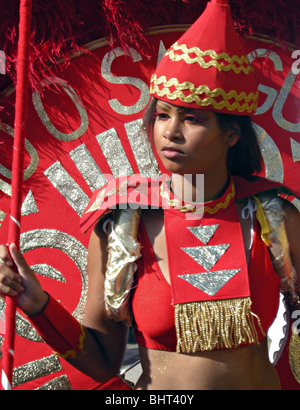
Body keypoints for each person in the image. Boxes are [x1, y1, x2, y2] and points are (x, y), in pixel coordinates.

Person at [1, 0, 300, 390]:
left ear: (231, 134)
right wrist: (38, 305)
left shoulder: (273, 215)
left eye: (192, 118)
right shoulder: (122, 223)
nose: (170, 132)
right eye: (162, 115)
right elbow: (103, 361)